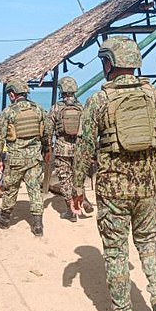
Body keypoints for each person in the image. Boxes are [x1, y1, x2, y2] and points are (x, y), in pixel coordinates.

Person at [72, 36, 156, 311]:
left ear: (109, 63)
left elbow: (84, 149)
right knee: (149, 245)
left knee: (116, 254)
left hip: (112, 191)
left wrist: (77, 187)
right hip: (146, 188)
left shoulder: (98, 101)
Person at [0, 79, 50, 237]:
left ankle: (4, 218)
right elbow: (46, 133)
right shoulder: (38, 110)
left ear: (12, 94)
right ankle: (37, 225)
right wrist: (46, 150)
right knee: (35, 189)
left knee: (11, 189)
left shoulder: (9, 112)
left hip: (16, 159)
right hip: (35, 158)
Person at [44, 76, 93, 221]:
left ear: (62, 90)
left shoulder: (56, 108)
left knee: (65, 179)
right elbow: (88, 130)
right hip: (79, 149)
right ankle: (83, 200)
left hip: (62, 149)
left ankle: (70, 211)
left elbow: (48, 130)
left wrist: (47, 148)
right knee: (78, 177)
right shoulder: (81, 108)